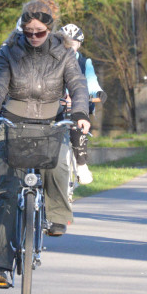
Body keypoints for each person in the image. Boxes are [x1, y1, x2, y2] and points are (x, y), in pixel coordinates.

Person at [0, 0, 89, 289]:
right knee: (6, 194)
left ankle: (57, 217)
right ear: (22, 29)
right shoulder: (9, 51)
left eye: (40, 32)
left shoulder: (65, 54)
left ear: (50, 30)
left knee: (59, 168)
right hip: (14, 123)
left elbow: (78, 86)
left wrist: (79, 113)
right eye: (29, 32)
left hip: (51, 122)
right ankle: (0, 266)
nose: (35, 37)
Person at [58, 23, 106, 185]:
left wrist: (96, 93)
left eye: (74, 43)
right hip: (56, 105)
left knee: (77, 128)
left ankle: (81, 164)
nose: (70, 46)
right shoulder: (53, 59)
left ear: (79, 44)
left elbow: (91, 82)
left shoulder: (85, 63)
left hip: (75, 106)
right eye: (67, 42)